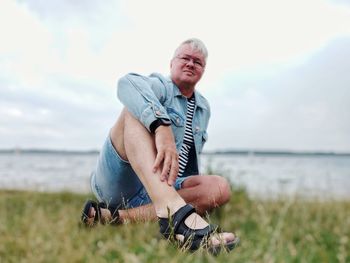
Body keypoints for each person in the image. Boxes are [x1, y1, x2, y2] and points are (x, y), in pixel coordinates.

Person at [81, 38, 239, 253]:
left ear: (203, 70)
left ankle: (116, 217)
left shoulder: (203, 108)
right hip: (121, 182)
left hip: (161, 185)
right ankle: (176, 215)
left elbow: (190, 161)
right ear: (172, 63)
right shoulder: (160, 86)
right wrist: (161, 126)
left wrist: (197, 192)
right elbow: (127, 83)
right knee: (134, 107)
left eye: (198, 62)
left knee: (219, 187)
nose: (191, 64)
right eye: (185, 58)